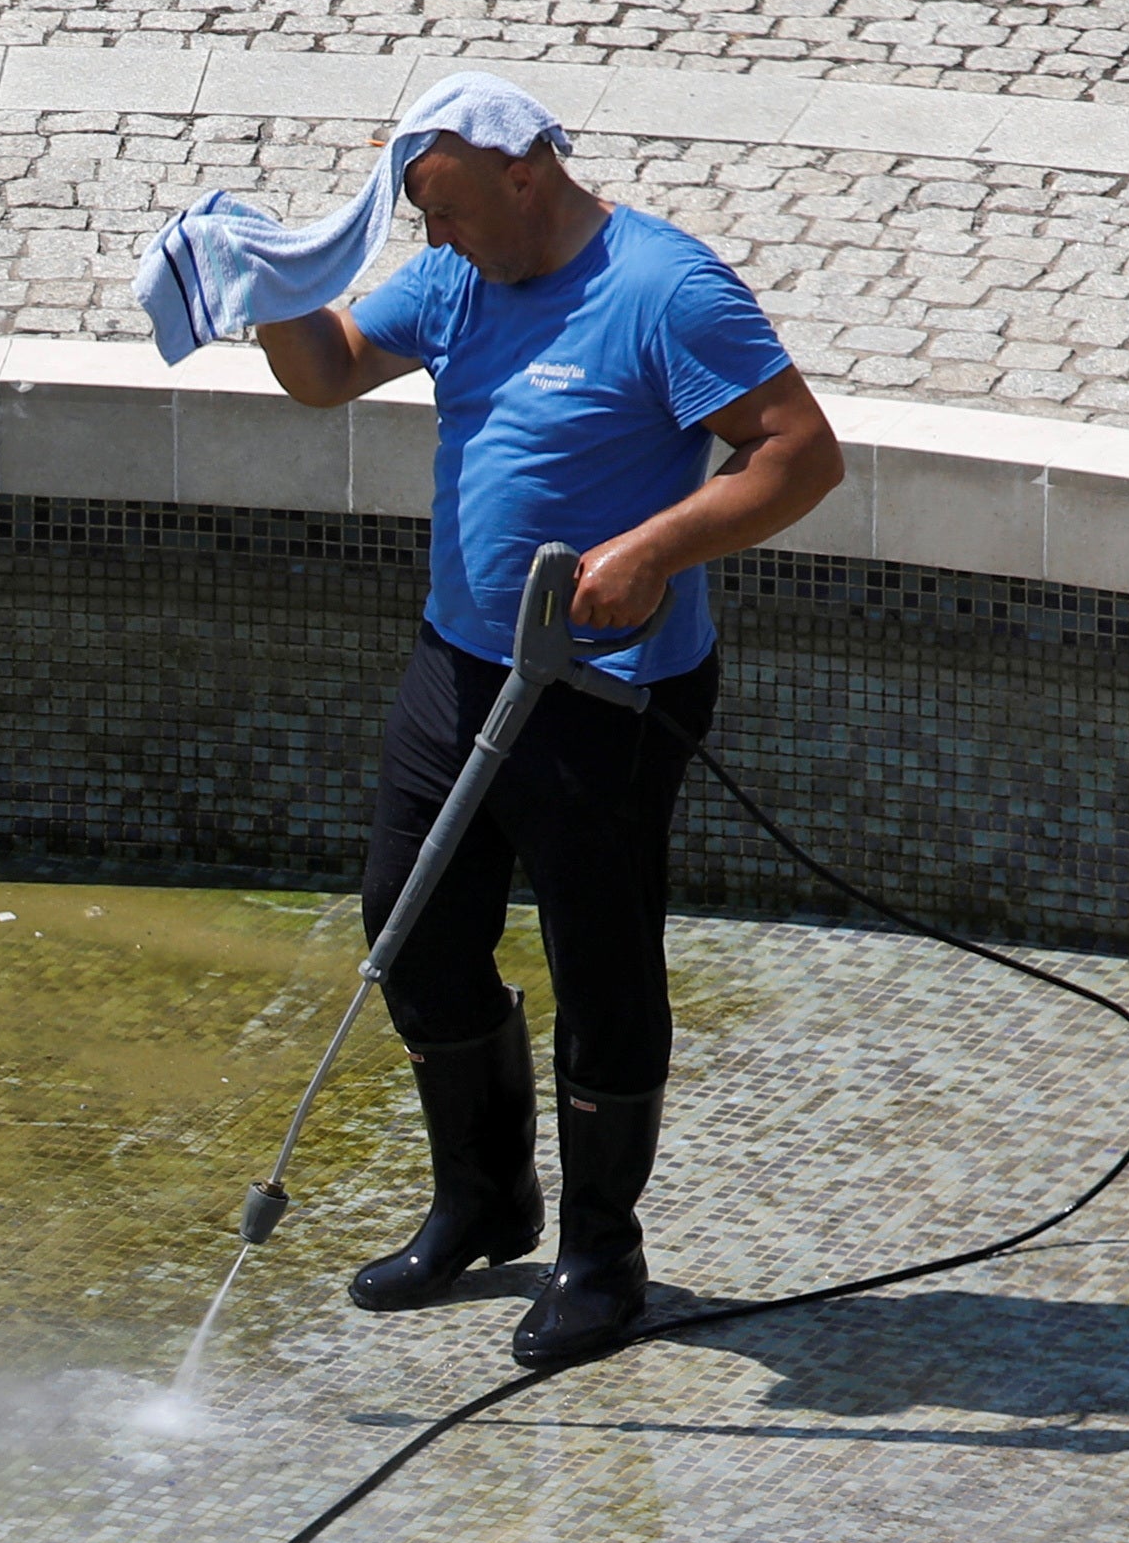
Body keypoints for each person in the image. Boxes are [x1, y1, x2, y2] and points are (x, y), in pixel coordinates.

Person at [137, 78, 846, 1365]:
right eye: (425, 220)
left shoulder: (664, 289)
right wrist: (268, 285)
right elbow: (329, 375)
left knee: (602, 962)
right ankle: (480, 1202)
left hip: (605, 691)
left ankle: (598, 1256)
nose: (440, 241)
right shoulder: (463, 273)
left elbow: (799, 453)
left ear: (524, 171)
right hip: (459, 665)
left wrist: (653, 550)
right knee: (409, 930)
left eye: (452, 210)